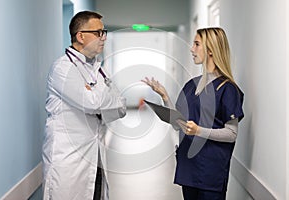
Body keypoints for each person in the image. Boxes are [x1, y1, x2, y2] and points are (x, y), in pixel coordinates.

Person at [142, 27, 244, 200]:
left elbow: (231, 134)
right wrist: (165, 97)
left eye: (197, 44)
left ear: (211, 50)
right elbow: (178, 124)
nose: (191, 49)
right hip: (189, 168)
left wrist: (199, 131)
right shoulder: (192, 85)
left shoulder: (227, 89)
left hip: (210, 171)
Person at [42, 11, 126, 200]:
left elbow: (121, 107)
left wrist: (95, 92)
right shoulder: (62, 68)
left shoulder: (97, 68)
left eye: (104, 32)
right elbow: (92, 103)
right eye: (98, 32)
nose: (103, 37)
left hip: (94, 158)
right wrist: (101, 96)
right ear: (80, 36)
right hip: (68, 161)